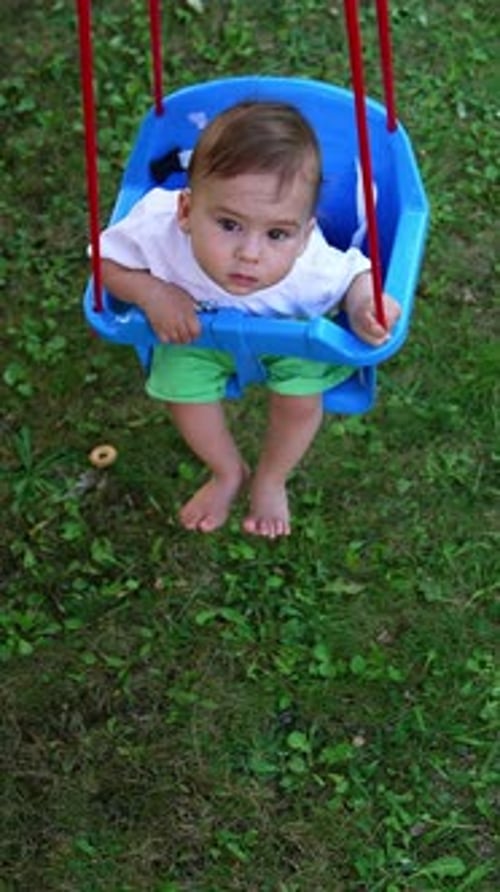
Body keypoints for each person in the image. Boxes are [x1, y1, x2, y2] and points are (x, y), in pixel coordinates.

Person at [100, 100, 400, 538]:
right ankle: (226, 471)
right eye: (229, 224)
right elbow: (105, 262)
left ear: (303, 235)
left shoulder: (308, 265)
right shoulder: (157, 227)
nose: (251, 253)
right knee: (183, 396)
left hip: (289, 341)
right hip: (196, 337)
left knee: (299, 403)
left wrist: (363, 306)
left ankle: (271, 477)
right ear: (185, 211)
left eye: (277, 233)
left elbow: (356, 274)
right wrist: (153, 292)